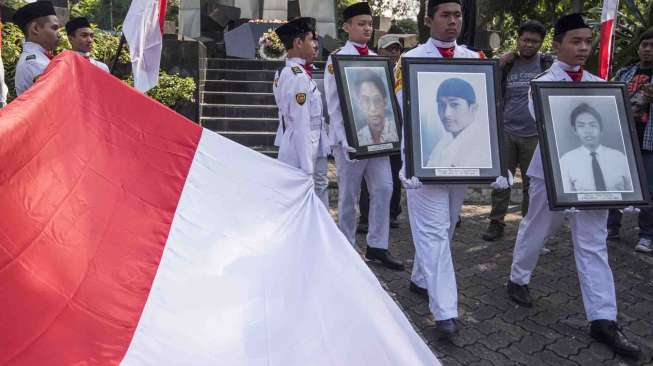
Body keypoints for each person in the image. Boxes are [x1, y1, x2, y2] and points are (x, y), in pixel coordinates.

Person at [506, 14, 641, 357]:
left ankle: (603, 319)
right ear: (558, 44)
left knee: (593, 244)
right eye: (575, 41)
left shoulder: (601, 85)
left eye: (587, 42)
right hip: (551, 175)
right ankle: (518, 278)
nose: (583, 48)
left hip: (592, 181)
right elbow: (545, 124)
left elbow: (612, 133)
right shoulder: (541, 84)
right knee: (537, 229)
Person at [395, 0, 485, 338]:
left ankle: (421, 278)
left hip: (461, 163)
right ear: (428, 19)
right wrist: (408, 161)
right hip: (424, 163)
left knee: (447, 224)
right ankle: (445, 311)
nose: (452, 22)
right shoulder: (409, 60)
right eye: (445, 15)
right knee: (433, 231)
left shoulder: (475, 61)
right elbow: (403, 115)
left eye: (457, 16)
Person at [325, 2, 404, 270]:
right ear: (346, 27)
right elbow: (334, 105)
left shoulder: (376, 59)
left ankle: (377, 246)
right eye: (361, 24)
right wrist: (344, 139)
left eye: (369, 24)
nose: (367, 28)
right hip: (350, 142)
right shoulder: (336, 58)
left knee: (384, 188)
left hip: (377, 139)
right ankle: (346, 247)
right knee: (349, 196)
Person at [483, 20, 552, 241]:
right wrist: (500, 63)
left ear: (541, 43)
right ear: (518, 40)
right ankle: (496, 222)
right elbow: (486, 80)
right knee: (502, 180)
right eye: (525, 40)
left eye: (534, 41)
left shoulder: (547, 65)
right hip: (506, 130)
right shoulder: (508, 64)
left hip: (534, 134)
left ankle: (528, 226)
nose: (529, 44)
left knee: (532, 185)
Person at [272, 17, 330, 209]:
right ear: (298, 43)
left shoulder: (296, 73)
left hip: (313, 142)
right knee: (303, 201)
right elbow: (300, 123)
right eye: (311, 39)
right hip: (303, 148)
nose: (315, 45)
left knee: (320, 191)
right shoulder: (297, 77)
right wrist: (307, 168)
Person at [607, 28, 653, 250]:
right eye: (645, 45)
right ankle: (610, 228)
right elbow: (607, 98)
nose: (648, 50)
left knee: (649, 190)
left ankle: (647, 235)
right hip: (621, 138)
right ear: (639, 47)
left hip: (648, 141)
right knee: (615, 184)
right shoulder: (625, 73)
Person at [358, 34, 404, 233]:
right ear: (379, 51)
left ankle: (392, 213)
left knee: (394, 173)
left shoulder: (404, 72)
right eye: (389, 49)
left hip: (397, 129)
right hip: (373, 128)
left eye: (397, 49)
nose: (394, 52)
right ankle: (366, 217)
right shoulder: (370, 71)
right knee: (368, 174)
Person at [559, 103, 632, 193]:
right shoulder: (566, 160)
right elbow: (565, 197)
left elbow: (634, 193)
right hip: (583, 207)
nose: (588, 131)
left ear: (601, 128)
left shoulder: (620, 157)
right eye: (581, 126)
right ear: (575, 130)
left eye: (592, 125)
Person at [425, 77, 491, 168]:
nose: (446, 114)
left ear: (473, 109)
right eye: (441, 105)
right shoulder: (445, 141)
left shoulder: (483, 147)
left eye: (454, 105)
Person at [12, 1, 60, 96]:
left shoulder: (39, 58)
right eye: (54, 28)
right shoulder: (35, 63)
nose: (59, 34)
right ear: (36, 29)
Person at [354, 70, 399, 145]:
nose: (373, 108)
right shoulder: (358, 138)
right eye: (366, 101)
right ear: (360, 105)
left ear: (385, 102)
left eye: (377, 100)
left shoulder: (398, 132)